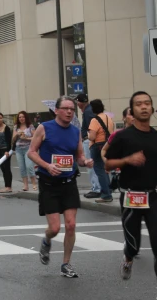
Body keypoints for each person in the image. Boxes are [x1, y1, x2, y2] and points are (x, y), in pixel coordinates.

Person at [105, 92, 157, 300]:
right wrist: (127, 159)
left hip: (152, 196)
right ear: (132, 110)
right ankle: (128, 258)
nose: (143, 107)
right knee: (134, 246)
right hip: (131, 196)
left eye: (147, 104)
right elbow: (107, 164)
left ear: (152, 108)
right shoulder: (123, 137)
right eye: (138, 104)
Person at [28, 95, 93, 278]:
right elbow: (31, 153)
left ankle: (66, 263)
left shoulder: (75, 131)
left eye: (72, 109)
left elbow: (79, 156)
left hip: (69, 182)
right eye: (65, 109)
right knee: (55, 228)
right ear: (56, 110)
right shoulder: (44, 128)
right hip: (49, 183)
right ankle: (47, 240)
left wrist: (85, 161)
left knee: (71, 225)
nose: (69, 112)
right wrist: (47, 166)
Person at [87, 99, 115, 203]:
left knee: (99, 170)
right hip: (107, 145)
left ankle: (106, 195)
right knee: (105, 170)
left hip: (97, 146)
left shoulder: (94, 120)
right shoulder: (108, 118)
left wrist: (88, 133)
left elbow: (92, 137)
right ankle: (108, 191)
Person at [76, 93, 101, 198]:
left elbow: (92, 126)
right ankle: (100, 187)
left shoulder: (87, 112)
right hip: (94, 141)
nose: (77, 104)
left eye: (77, 101)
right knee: (97, 165)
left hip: (89, 140)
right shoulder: (89, 110)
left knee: (91, 164)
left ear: (80, 102)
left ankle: (96, 188)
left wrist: (89, 138)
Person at [12, 111, 36, 191]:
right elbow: (13, 139)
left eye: (23, 117)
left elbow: (35, 137)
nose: (21, 119)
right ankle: (25, 185)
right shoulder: (16, 127)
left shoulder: (30, 126)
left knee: (29, 166)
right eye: (20, 117)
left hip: (28, 148)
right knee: (22, 167)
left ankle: (33, 183)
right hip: (19, 149)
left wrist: (26, 138)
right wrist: (17, 134)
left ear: (26, 117)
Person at [0, 112, 13, 193]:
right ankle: (6, 186)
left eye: (1, 118)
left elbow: (9, 140)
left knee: (7, 168)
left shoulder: (6, 128)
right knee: (2, 168)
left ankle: (8, 186)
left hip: (5, 150)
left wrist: (7, 151)